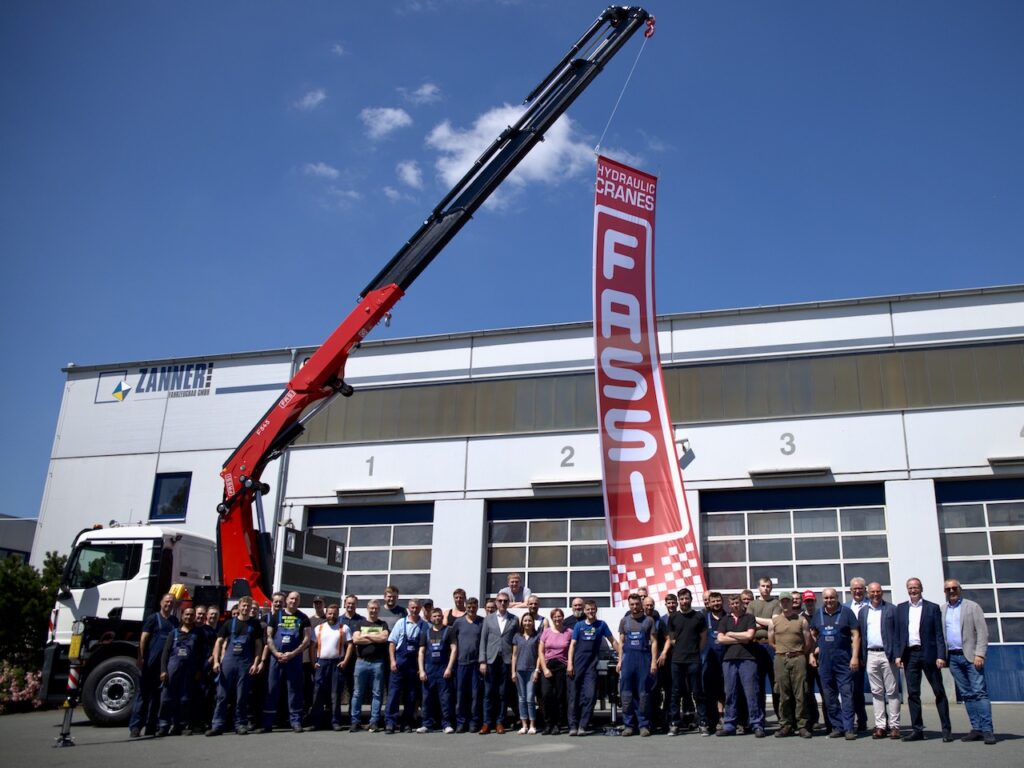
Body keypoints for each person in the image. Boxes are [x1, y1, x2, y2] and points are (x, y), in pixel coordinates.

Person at [896, 577, 951, 742]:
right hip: (910, 655)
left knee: (939, 691)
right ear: (907, 589)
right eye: (910, 588)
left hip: (929, 654)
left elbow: (939, 634)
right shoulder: (901, 608)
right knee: (913, 694)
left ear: (921, 589)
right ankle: (917, 730)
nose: (913, 590)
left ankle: (946, 730)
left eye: (916, 587)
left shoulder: (932, 608)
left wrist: (941, 656)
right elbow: (900, 634)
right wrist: (899, 654)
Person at [941, 579, 996, 745]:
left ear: (960, 589)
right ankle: (976, 728)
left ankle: (987, 730)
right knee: (966, 694)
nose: (951, 591)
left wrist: (980, 654)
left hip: (971, 657)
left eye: (954, 588)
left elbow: (982, 632)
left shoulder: (972, 607)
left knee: (980, 692)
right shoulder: (942, 610)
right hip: (953, 657)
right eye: (948, 589)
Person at [207, 595, 264, 736]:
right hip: (228, 662)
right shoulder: (228, 624)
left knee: (242, 696)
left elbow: (258, 645)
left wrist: (256, 663)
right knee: (222, 695)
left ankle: (240, 724)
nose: (245, 608)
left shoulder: (255, 625)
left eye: (248, 606)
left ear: (251, 608)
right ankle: (217, 725)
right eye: (243, 606)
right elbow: (218, 642)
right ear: (238, 607)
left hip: (245, 663)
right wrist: (215, 661)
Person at [810, 588, 860, 740]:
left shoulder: (847, 613)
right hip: (824, 663)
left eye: (832, 597)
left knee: (846, 694)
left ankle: (849, 728)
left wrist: (855, 657)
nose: (829, 600)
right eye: (826, 598)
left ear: (837, 597)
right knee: (829, 696)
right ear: (822, 599)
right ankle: (837, 727)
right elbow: (812, 634)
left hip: (843, 662)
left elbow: (856, 635)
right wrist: (812, 653)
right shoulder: (818, 614)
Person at [567, 599, 620, 736]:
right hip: (576, 666)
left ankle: (583, 726)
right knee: (574, 697)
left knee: (590, 696)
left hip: (591, 667)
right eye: (588, 609)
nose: (590, 612)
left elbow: (613, 641)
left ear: (596, 610)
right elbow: (572, 645)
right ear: (584, 611)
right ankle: (573, 726)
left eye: (593, 609)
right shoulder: (579, 626)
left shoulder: (601, 625)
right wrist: (570, 664)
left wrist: (622, 655)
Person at [261, 591, 311, 733]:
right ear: (286, 600)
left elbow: (306, 640)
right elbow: (269, 636)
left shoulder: (303, 618)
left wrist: (293, 653)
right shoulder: (276, 616)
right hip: (276, 659)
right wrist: (276, 653)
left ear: (299, 601)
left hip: (294, 659)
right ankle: (267, 723)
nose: (293, 601)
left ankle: (295, 722)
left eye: (296, 599)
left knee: (294, 690)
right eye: (291, 598)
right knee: (272, 690)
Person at [129, 592, 178, 737]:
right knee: (143, 695)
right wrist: (141, 657)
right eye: (166, 601)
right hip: (150, 661)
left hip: (165, 664)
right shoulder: (153, 619)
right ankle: (136, 726)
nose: (168, 604)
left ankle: (151, 726)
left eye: (171, 602)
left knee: (158, 696)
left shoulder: (174, 621)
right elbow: (143, 639)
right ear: (161, 603)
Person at [717, 593, 764, 737]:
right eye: (731, 604)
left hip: (747, 659)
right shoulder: (725, 619)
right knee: (730, 693)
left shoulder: (749, 618)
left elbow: (749, 636)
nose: (734, 606)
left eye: (737, 603)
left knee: (752, 692)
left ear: (742, 604)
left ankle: (757, 724)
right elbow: (720, 639)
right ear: (729, 605)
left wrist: (730, 634)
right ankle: (730, 724)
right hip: (729, 660)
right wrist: (740, 638)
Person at [858, 581, 901, 740]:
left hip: (887, 654)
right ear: (867, 593)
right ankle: (881, 726)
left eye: (878, 591)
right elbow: (862, 635)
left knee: (892, 691)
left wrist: (898, 655)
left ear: (882, 592)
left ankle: (895, 726)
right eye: (872, 592)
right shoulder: (863, 611)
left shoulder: (891, 609)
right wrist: (862, 656)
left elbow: (898, 634)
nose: (875, 594)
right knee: (876, 692)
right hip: (871, 655)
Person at [158, 606, 208, 735]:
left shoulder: (199, 633)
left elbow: (202, 653)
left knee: (185, 699)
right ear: (182, 616)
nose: (189, 617)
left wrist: (199, 670)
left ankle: (180, 725)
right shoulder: (173, 633)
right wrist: (163, 670)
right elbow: (165, 653)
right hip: (172, 669)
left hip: (190, 670)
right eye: (187, 614)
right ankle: (163, 725)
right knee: (166, 698)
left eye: (191, 615)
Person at [665, 588, 708, 736]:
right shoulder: (673, 617)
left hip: (693, 660)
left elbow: (703, 637)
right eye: (681, 599)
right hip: (677, 660)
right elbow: (671, 637)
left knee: (698, 692)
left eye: (686, 598)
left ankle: (703, 723)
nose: (684, 601)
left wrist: (696, 651)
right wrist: (679, 647)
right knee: (675, 693)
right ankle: (674, 723)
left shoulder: (699, 617)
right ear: (678, 601)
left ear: (691, 599)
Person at [768, 593, 811, 738]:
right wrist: (783, 651)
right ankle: (786, 725)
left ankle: (802, 725)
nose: (785, 604)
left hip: (798, 658)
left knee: (800, 693)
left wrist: (798, 653)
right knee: (783, 693)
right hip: (781, 659)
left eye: (788, 601)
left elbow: (807, 642)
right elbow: (771, 642)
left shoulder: (801, 620)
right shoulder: (774, 621)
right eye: (783, 602)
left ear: (792, 603)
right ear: (780, 604)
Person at [617, 593, 658, 737]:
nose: (634, 607)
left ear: (641, 604)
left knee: (643, 694)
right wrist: (619, 661)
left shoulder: (649, 621)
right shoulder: (624, 621)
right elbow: (621, 642)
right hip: (628, 661)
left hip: (643, 661)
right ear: (629, 605)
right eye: (632, 604)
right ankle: (628, 726)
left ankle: (643, 725)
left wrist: (653, 661)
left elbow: (654, 642)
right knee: (626, 694)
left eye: (637, 604)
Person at [308, 602, 353, 731]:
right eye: (329, 613)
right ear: (326, 614)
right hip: (321, 663)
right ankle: (316, 722)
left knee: (335, 694)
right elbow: (312, 646)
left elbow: (350, 645)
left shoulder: (343, 628)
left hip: (336, 663)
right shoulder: (319, 628)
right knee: (318, 693)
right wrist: (313, 662)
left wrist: (345, 661)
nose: (332, 616)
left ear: (338, 614)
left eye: (334, 614)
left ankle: (335, 721)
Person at [385, 598, 427, 733]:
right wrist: (392, 661)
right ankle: (390, 722)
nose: (415, 610)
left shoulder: (425, 625)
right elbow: (392, 643)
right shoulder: (400, 623)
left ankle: (407, 722)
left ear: (420, 608)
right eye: (412, 608)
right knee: (394, 694)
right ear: (409, 608)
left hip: (414, 665)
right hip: (399, 663)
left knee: (411, 695)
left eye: (417, 608)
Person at [478, 592, 518, 733]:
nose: (502, 603)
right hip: (490, 660)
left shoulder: (514, 619)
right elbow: (483, 640)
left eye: (505, 601)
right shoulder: (488, 619)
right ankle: (487, 723)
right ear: (496, 602)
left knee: (503, 693)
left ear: (508, 603)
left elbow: (516, 642)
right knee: (488, 693)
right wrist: (482, 660)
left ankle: (500, 722)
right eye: (500, 601)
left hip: (506, 661)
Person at [350, 599, 390, 732]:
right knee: (357, 693)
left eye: (376, 608)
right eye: (371, 608)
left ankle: (374, 721)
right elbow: (356, 639)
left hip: (377, 663)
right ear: (367, 609)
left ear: (379, 610)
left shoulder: (383, 624)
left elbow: (384, 638)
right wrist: (375, 637)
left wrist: (366, 635)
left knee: (377, 693)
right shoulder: (360, 623)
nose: (373, 611)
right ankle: (355, 721)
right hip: (361, 662)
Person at [449, 597, 484, 733]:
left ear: (477, 607)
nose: (471, 609)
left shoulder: (482, 622)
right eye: (469, 606)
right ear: (466, 606)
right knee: (461, 694)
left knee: (475, 695)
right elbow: (453, 640)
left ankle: (474, 722)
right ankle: (461, 722)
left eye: (474, 607)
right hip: (461, 664)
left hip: (475, 664)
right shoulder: (459, 622)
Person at [418, 607, 455, 733]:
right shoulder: (426, 632)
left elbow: (454, 649)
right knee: (427, 698)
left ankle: (446, 724)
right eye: (434, 616)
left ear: (442, 617)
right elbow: (421, 652)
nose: (437, 618)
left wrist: (449, 668)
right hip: (429, 669)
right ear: (431, 617)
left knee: (445, 698)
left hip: (443, 669)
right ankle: (426, 724)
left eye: (439, 616)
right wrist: (422, 670)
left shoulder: (448, 631)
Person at [750, 577, 781, 719]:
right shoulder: (752, 604)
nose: (766, 588)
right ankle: (760, 719)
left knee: (776, 682)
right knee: (758, 684)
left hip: (771, 645)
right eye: (763, 586)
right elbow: (749, 625)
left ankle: (781, 718)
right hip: (755, 645)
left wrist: (755, 619)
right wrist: (765, 623)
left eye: (768, 586)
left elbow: (774, 622)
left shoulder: (776, 603)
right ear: (758, 587)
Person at [799, 590, 830, 733]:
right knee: (808, 692)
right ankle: (812, 721)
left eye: (811, 601)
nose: (809, 604)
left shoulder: (821, 615)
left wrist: (817, 650)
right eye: (807, 602)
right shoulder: (800, 618)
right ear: (803, 602)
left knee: (826, 691)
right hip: (806, 660)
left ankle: (830, 722)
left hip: (821, 658)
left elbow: (824, 635)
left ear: (815, 601)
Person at [539, 608, 572, 734]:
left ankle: (558, 724)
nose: (557, 619)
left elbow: (572, 649)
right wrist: (544, 668)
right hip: (548, 666)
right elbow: (540, 652)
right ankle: (548, 724)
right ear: (552, 618)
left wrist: (570, 664)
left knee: (560, 697)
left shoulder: (569, 632)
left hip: (562, 667)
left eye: (559, 616)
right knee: (546, 695)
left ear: (563, 618)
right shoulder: (546, 632)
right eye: (555, 617)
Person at [844, 577, 869, 732]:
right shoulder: (845, 607)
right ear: (850, 590)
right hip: (853, 653)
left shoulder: (871, 605)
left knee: (880, 690)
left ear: (865, 589)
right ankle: (859, 720)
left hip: (870, 651)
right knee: (854, 689)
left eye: (860, 588)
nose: (857, 591)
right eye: (855, 588)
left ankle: (885, 724)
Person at [701, 591, 726, 732]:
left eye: (718, 601)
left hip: (725, 658)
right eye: (713, 601)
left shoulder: (727, 617)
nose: (716, 603)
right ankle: (712, 720)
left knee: (725, 690)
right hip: (708, 660)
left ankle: (725, 716)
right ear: (709, 603)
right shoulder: (703, 617)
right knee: (709, 691)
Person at [511, 613, 541, 734]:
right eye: (525, 621)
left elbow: (540, 655)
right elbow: (514, 656)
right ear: (522, 623)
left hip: (531, 671)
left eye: (529, 621)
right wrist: (513, 671)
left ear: (533, 623)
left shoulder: (537, 636)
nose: (527, 623)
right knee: (521, 699)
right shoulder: (517, 636)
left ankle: (533, 724)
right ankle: (524, 725)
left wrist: (537, 670)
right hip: (519, 671)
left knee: (530, 698)